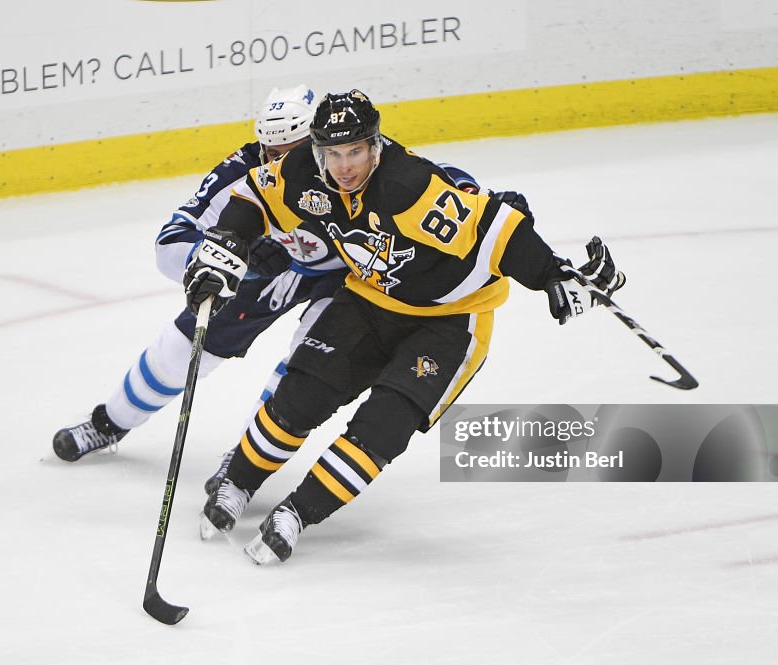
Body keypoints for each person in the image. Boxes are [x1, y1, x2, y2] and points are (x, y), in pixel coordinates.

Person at [183, 89, 625, 564]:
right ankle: (239, 483)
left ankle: (296, 513)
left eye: (355, 151)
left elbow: (496, 229)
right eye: (334, 153)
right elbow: (255, 194)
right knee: (300, 394)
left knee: (384, 425)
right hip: (371, 300)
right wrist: (229, 241)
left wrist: (553, 276)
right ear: (318, 151)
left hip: (451, 320)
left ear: (375, 146)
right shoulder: (306, 173)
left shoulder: (408, 185)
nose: (345, 165)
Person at [51, 85, 484, 472]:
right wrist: (221, 260)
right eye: (272, 153)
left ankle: (243, 461)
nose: (283, 163)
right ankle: (108, 422)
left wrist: (470, 198)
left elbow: (432, 181)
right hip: (267, 273)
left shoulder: (354, 157)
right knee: (181, 346)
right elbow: (171, 242)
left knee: (307, 361)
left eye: (295, 149)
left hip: (349, 279)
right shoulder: (243, 172)